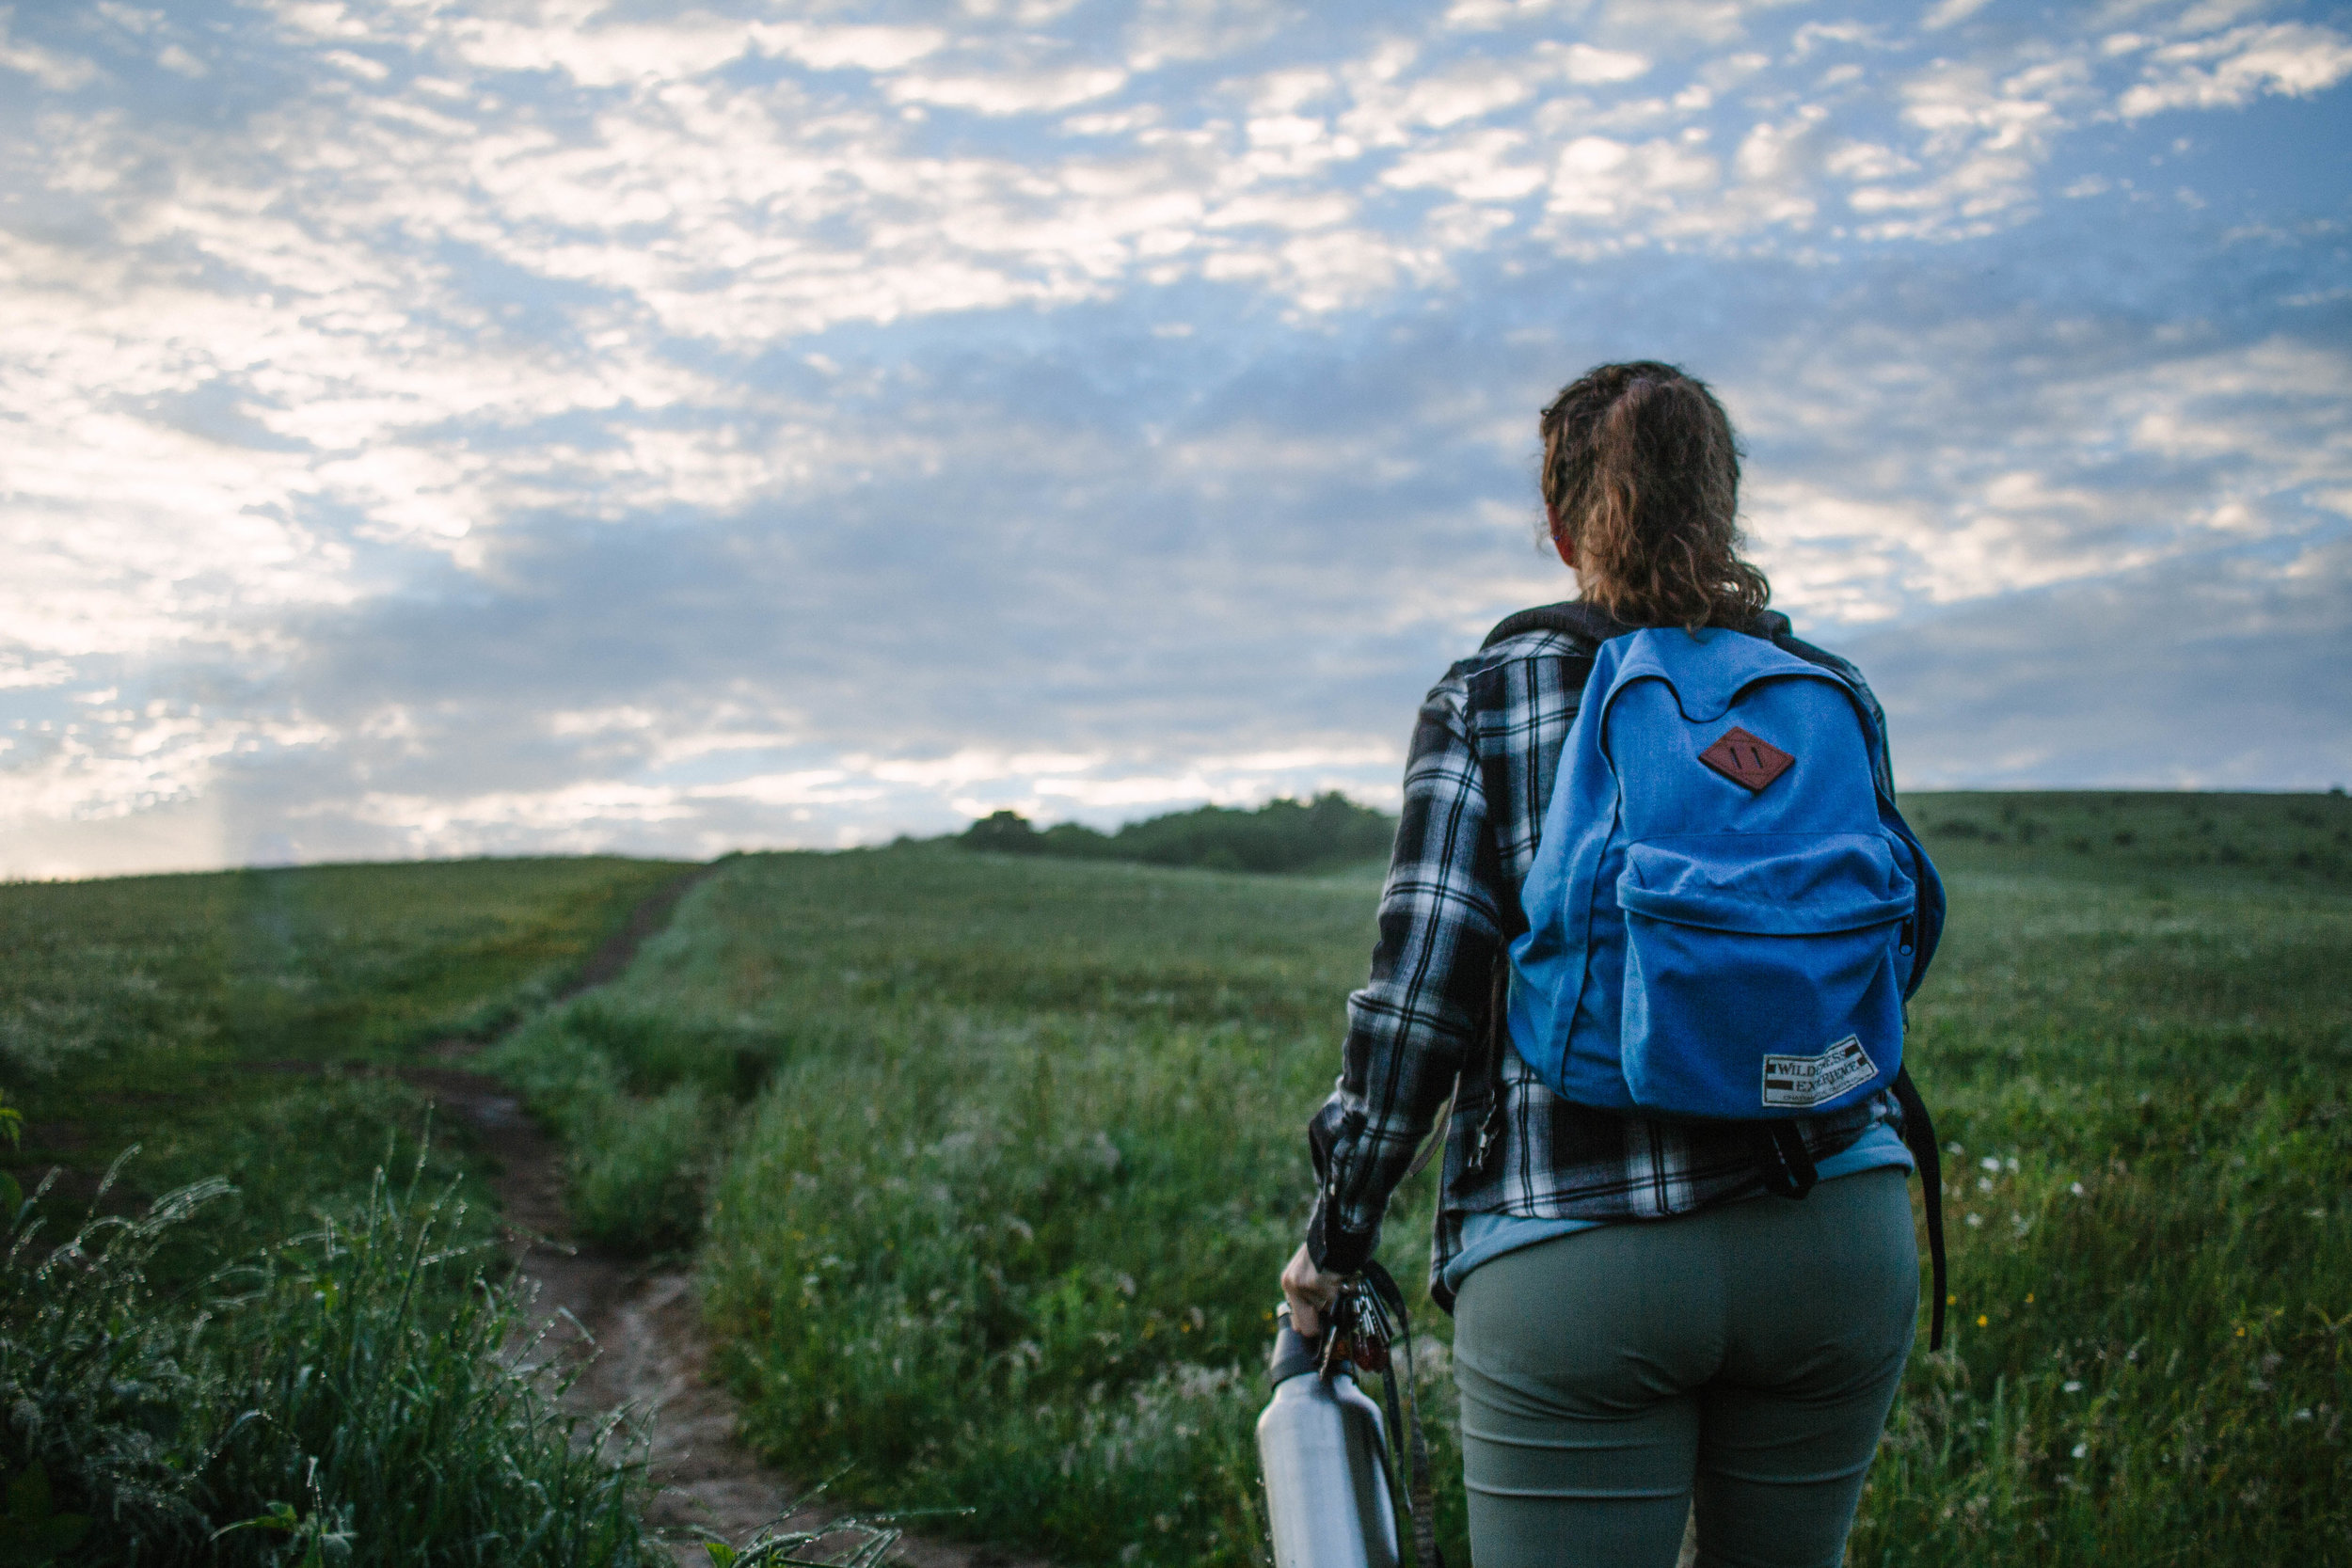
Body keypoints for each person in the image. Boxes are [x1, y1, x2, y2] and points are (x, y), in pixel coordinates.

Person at [1279, 361, 1924, 1568]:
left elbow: (1418, 999)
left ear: (1564, 522)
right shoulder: (1824, 692)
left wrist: (1336, 1236)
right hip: (1838, 1226)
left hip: (1577, 1247)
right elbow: (1885, 943)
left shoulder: (1494, 694)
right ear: (1721, 507)